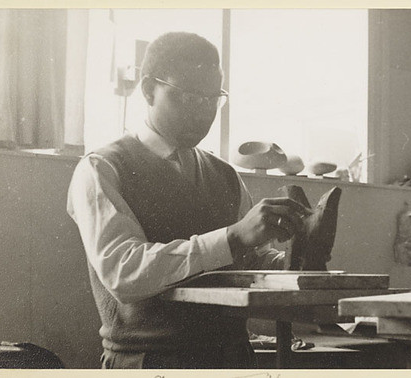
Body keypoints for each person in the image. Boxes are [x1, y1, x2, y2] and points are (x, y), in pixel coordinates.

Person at [67, 31, 310, 369]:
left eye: (213, 98)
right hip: (149, 362)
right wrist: (234, 236)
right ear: (149, 89)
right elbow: (124, 271)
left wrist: (292, 262)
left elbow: (245, 261)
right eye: (191, 97)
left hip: (232, 359)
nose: (205, 112)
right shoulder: (102, 169)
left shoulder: (225, 175)